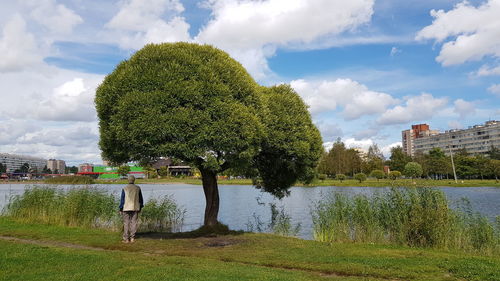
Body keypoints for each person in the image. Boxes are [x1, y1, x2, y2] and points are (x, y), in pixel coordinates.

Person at [119, 175, 144, 243]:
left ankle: (126, 239)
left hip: (126, 207)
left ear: (128, 180)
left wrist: (120, 208)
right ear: (134, 180)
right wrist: (141, 206)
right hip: (135, 207)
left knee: (126, 223)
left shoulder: (125, 188)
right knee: (134, 222)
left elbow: (122, 200)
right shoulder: (138, 188)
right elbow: (140, 199)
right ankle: (132, 238)